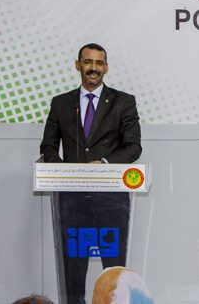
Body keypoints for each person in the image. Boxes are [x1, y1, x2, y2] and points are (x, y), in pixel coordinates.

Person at [40, 43, 142, 304]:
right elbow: (48, 146)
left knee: (114, 273)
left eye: (98, 63)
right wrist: (65, 173)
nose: (93, 68)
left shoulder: (123, 102)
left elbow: (133, 147)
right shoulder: (61, 103)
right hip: (72, 202)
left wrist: (104, 163)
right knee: (73, 271)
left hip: (111, 202)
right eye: (88, 62)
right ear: (78, 65)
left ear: (106, 67)